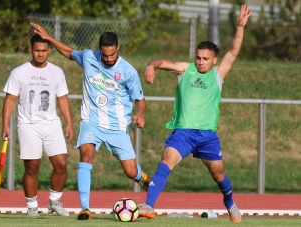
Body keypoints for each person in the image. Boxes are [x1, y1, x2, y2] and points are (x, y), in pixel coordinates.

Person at [137, 4, 251, 223]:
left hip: (207, 135)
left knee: (219, 176)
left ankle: (229, 201)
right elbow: (160, 62)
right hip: (183, 132)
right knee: (166, 160)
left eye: (205, 59)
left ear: (214, 60)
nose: (200, 62)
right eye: (198, 57)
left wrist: (239, 27)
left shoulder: (218, 75)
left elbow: (234, 51)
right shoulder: (185, 69)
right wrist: (151, 65)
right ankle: (148, 205)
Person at [30, 23, 151, 220]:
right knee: (86, 157)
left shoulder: (128, 71)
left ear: (118, 48)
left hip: (117, 126)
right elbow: (69, 52)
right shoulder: (89, 57)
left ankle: (148, 184)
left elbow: (140, 99)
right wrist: (50, 38)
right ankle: (85, 208)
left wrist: (140, 114)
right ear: (100, 50)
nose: (109, 59)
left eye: (112, 55)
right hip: (91, 122)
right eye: (105, 55)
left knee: (130, 171)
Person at [2, 34, 74, 217]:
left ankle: (54, 201)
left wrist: (69, 123)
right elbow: (10, 100)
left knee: (61, 164)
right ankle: (32, 206)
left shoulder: (57, 72)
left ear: (49, 51)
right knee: (32, 167)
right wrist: (5, 124)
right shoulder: (19, 72)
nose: (40, 54)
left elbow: (63, 99)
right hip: (28, 124)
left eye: (44, 51)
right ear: (30, 50)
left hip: (51, 123)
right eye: (37, 50)